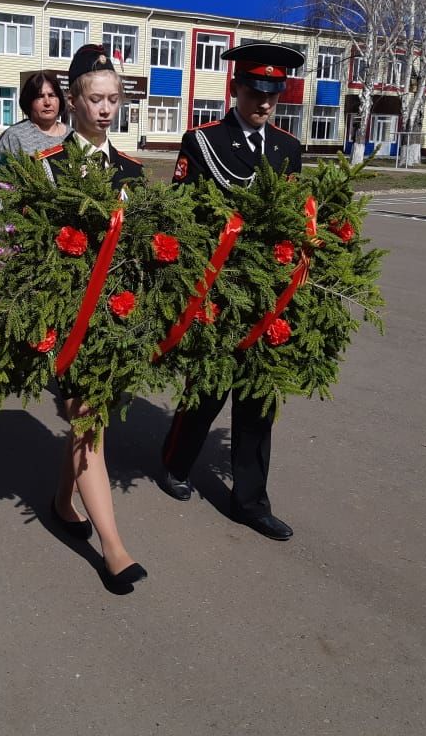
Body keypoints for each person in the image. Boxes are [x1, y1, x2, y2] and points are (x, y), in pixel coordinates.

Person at [159, 41, 305, 542]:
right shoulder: (203, 142)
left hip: (268, 297)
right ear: (236, 87)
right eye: (254, 91)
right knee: (208, 389)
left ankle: (250, 501)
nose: (264, 102)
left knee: (258, 398)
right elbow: (182, 215)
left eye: (273, 93)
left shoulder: (289, 149)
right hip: (217, 291)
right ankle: (176, 463)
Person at [36, 46, 146, 588]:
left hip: (118, 319)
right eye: (94, 98)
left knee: (90, 420)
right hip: (70, 320)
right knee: (87, 421)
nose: (105, 109)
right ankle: (114, 549)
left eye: (112, 99)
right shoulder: (49, 168)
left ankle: (61, 501)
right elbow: (29, 251)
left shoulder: (131, 171)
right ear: (72, 101)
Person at [0, 71, 70, 164]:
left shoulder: (72, 136)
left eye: (52, 95)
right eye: (40, 96)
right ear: (29, 102)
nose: (47, 102)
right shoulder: (13, 137)